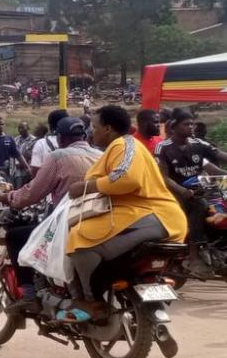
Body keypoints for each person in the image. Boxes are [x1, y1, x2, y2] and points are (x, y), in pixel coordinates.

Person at [63, 106, 187, 321]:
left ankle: (91, 302)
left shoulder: (124, 144)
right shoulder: (121, 147)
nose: (92, 132)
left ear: (108, 128)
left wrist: (86, 186)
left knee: (79, 239)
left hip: (152, 216)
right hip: (140, 216)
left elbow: (126, 179)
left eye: (94, 127)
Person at [0, 118, 102, 313]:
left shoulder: (57, 157)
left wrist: (9, 197)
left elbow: (32, 192)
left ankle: (29, 296)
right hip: (100, 219)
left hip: (68, 220)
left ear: (60, 138)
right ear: (84, 136)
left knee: (15, 236)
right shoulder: (100, 155)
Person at [155, 108, 227, 273]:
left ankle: (219, 246)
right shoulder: (163, 147)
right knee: (199, 204)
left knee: (223, 201)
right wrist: (183, 191)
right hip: (176, 193)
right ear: (173, 127)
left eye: (192, 124)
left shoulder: (198, 144)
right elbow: (163, 177)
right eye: (186, 124)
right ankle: (193, 254)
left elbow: (220, 158)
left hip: (201, 188)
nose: (191, 127)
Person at [29, 109, 68, 177]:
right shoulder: (75, 143)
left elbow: (35, 171)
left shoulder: (41, 144)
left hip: (46, 185)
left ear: (50, 126)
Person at [12, 122, 36, 188]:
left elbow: (30, 155)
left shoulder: (33, 140)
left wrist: (21, 163)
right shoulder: (16, 139)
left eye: (22, 128)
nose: (20, 130)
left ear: (28, 128)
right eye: (19, 128)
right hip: (15, 171)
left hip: (27, 171)